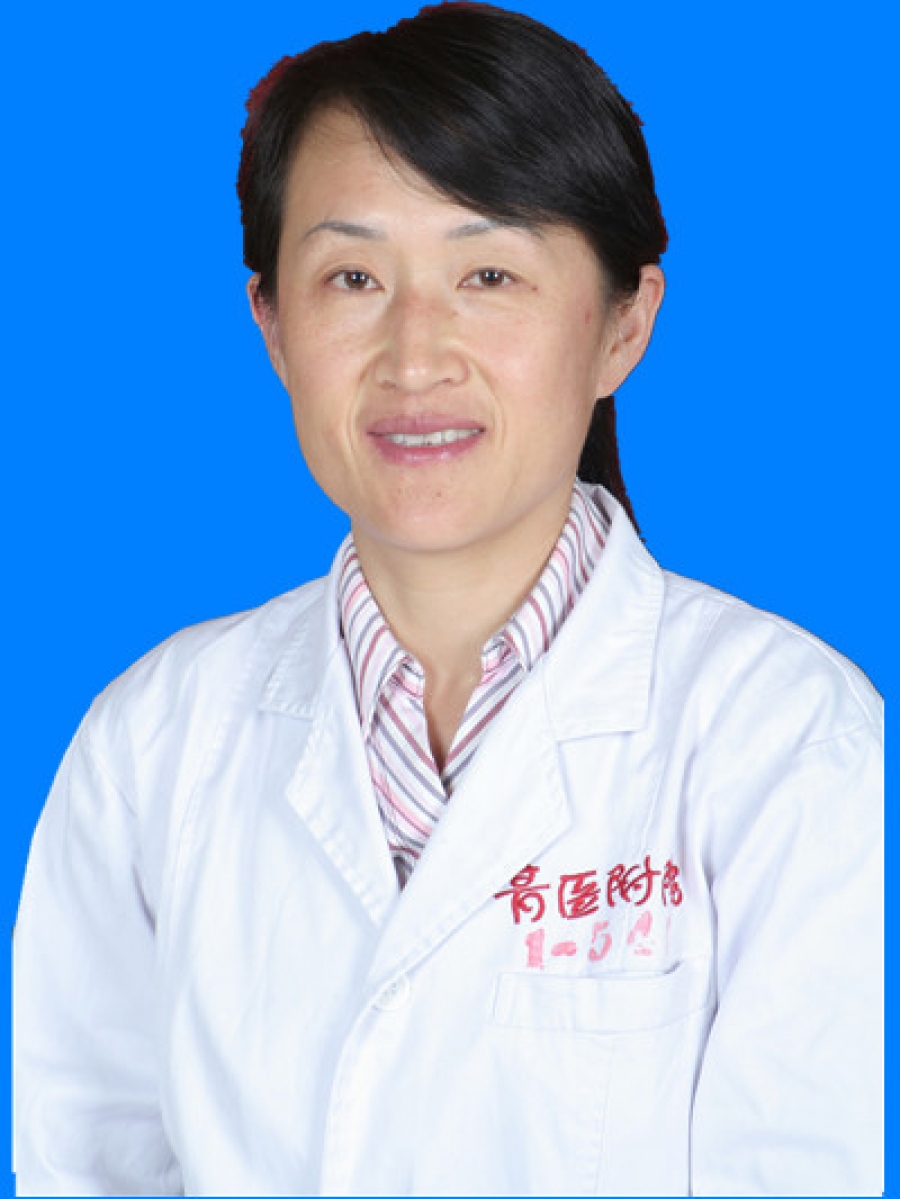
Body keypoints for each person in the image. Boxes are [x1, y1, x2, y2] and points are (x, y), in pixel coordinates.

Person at [13, 3, 883, 1195]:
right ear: (273, 325)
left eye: (489, 274)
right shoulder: (151, 744)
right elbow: (85, 1167)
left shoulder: (788, 741)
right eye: (352, 276)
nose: (415, 356)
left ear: (624, 323)